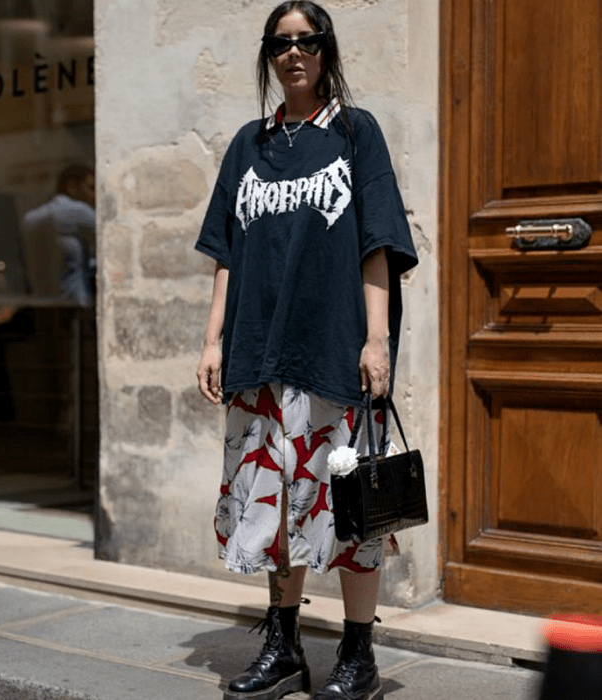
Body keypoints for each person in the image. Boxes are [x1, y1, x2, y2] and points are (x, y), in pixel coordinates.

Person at [195, 3, 418, 699]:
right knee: (269, 509)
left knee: (353, 510)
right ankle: (284, 646)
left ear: (325, 51)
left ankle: (358, 655)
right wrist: (210, 340)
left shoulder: (355, 132)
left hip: (333, 351)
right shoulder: (248, 145)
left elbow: (377, 241)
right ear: (268, 54)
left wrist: (376, 340)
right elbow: (226, 253)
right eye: (281, 43)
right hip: (258, 354)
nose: (295, 53)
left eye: (307, 41)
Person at [22, 164, 96, 307]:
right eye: (90, 188)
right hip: (74, 302)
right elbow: (112, 236)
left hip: (46, 301)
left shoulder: (33, 217)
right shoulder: (78, 210)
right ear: (72, 187)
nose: (94, 195)